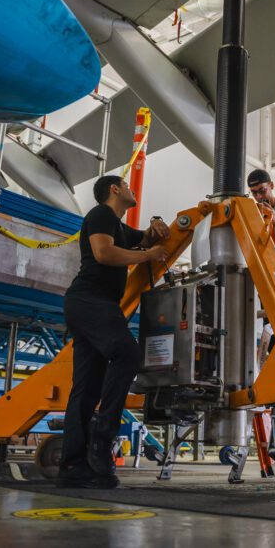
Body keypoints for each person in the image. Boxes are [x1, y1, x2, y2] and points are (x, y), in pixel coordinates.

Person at [58, 175, 169, 489]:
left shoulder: (119, 226)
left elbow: (145, 238)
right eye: (128, 185)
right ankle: (101, 436)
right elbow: (104, 253)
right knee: (128, 355)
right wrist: (147, 256)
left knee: (87, 388)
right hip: (89, 300)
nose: (133, 190)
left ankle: (73, 465)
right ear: (115, 189)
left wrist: (156, 224)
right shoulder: (101, 215)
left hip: (89, 305)